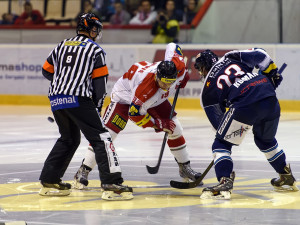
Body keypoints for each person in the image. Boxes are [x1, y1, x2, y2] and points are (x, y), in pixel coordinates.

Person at [73, 42, 202, 189]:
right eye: (164, 83)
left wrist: (184, 74)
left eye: (170, 83)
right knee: (107, 134)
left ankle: (185, 168)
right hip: (125, 95)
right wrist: (157, 124)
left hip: (153, 99)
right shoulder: (146, 88)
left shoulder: (177, 67)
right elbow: (134, 114)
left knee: (175, 128)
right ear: (157, 76)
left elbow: (173, 46)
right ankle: (84, 170)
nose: (167, 86)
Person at [39, 13, 133, 201]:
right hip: (78, 99)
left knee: (68, 139)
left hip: (56, 99)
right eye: (96, 29)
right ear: (92, 29)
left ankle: (49, 180)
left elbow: (46, 70)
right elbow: (100, 85)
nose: (97, 32)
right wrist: (97, 106)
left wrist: (63, 83)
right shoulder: (95, 50)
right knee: (103, 138)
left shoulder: (61, 45)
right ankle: (111, 183)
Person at [193, 48, 298, 200]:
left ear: (203, 68)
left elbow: (220, 125)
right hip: (269, 95)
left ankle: (224, 181)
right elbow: (260, 54)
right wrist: (272, 73)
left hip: (245, 103)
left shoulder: (207, 92)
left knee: (221, 144)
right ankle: (285, 174)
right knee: (265, 140)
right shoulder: (230, 56)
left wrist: (240, 125)